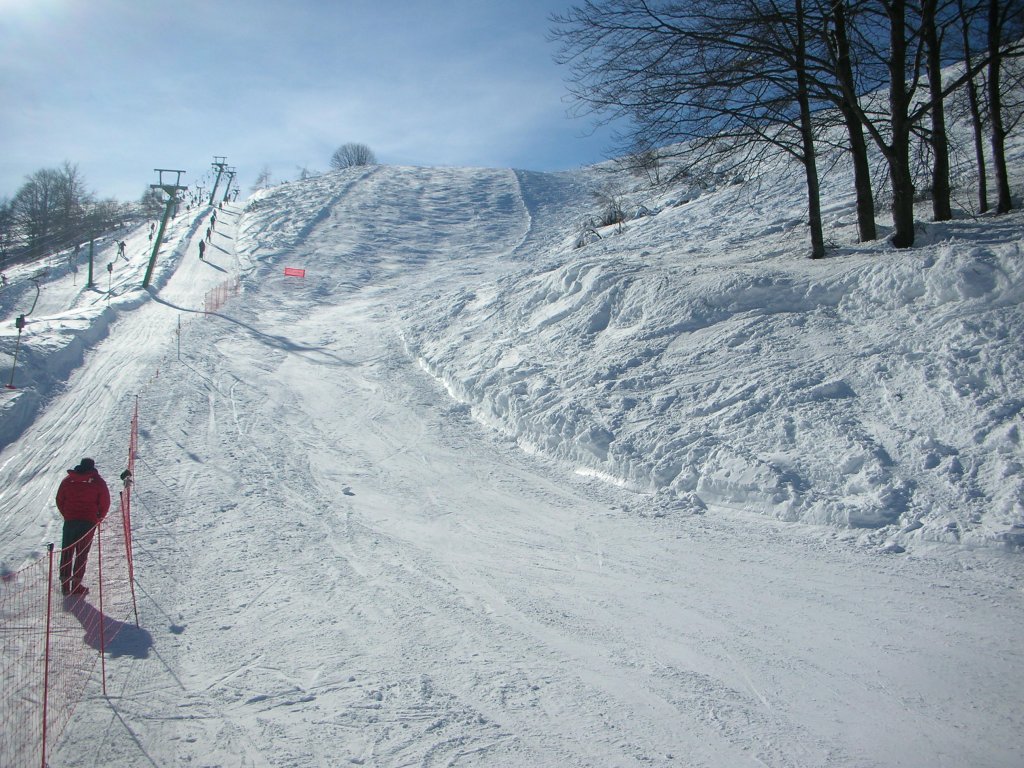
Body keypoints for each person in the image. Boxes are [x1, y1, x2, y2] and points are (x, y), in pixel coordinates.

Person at [55, 458, 110, 596]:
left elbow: (59, 499)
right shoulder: (97, 482)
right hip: (88, 522)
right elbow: (105, 502)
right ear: (92, 467)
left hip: (70, 522)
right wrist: (99, 518)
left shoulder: (68, 480)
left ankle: (65, 585)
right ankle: (76, 585)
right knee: (81, 553)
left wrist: (67, 514)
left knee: (67, 551)